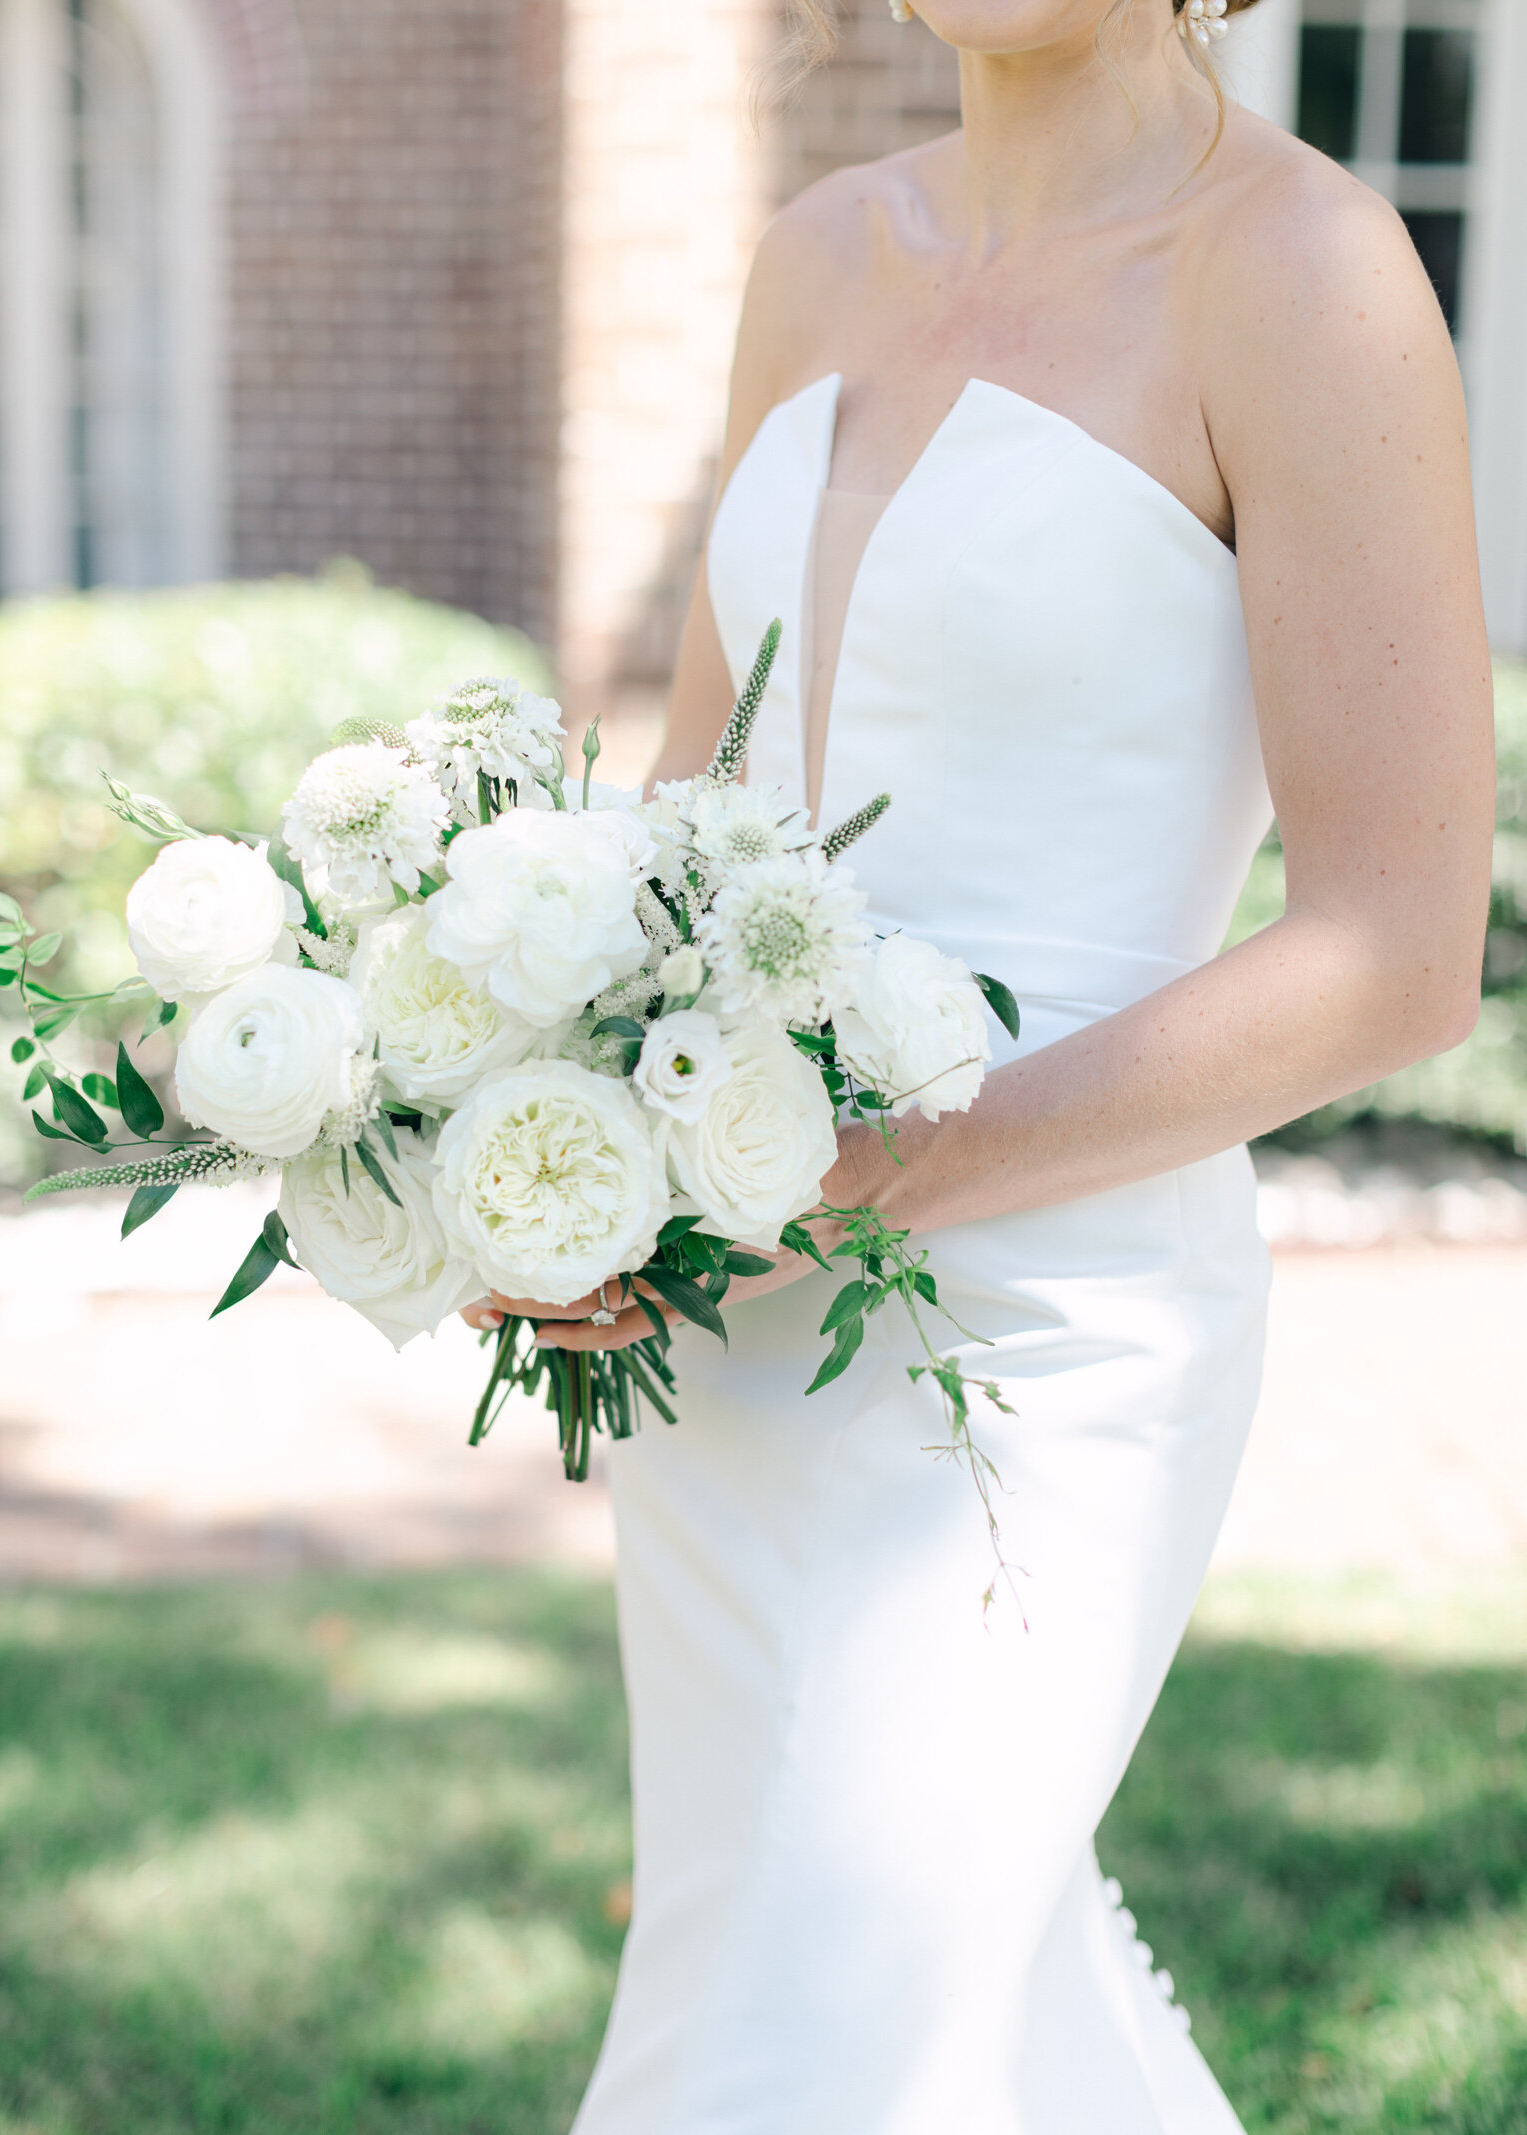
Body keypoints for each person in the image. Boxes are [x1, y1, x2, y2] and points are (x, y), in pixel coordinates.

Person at [463, 0, 1495, 2124]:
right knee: (837, 1998)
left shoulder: (1297, 273)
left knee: (850, 2013)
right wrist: (528, 1129)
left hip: (1046, 1329)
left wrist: (859, 1174)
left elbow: (1394, 955)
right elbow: (693, 799)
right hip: (731, 1335)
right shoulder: (816, 253)